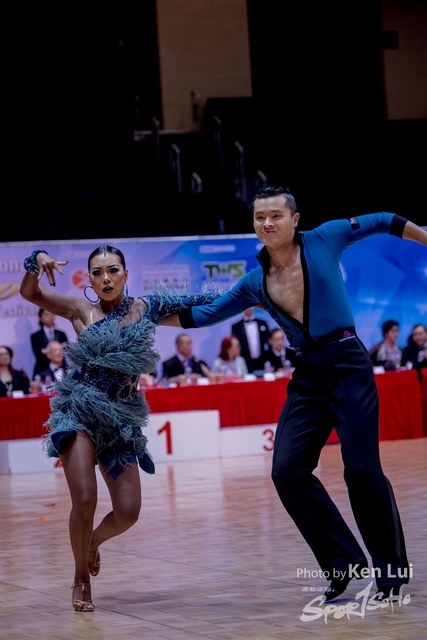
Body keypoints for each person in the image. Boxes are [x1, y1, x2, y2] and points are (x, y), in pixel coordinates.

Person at [166, 185, 427, 603]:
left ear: (295, 219)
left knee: (361, 469)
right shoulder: (255, 281)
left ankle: (390, 571)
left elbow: (382, 220)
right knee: (287, 470)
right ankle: (343, 562)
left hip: (348, 363)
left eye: (275, 215)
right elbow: (205, 314)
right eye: (259, 217)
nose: (267, 223)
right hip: (307, 374)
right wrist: (139, 316)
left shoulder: (325, 238)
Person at [19, 245, 220, 612]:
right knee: (84, 499)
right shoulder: (81, 310)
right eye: (97, 273)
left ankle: (92, 543)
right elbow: (30, 293)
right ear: (90, 279)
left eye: (113, 270)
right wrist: (37, 259)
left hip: (120, 419)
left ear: (126, 274)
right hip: (80, 411)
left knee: (128, 512)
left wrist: (257, 295)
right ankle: (80, 578)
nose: (106, 278)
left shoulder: (147, 308)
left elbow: (203, 303)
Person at [30, 308, 68, 378]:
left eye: (52, 314)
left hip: (62, 369)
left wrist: (46, 350)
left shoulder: (61, 334)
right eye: (47, 314)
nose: (51, 317)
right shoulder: (35, 336)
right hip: (42, 368)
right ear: (40, 317)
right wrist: (58, 349)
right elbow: (38, 354)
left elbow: (66, 350)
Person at [230, 307, 270, 372]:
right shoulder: (236, 326)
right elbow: (234, 345)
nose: (249, 308)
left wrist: (269, 359)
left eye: (250, 306)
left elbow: (269, 341)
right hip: (244, 361)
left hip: (262, 360)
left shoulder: (263, 323)